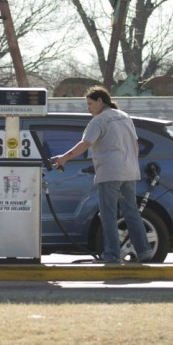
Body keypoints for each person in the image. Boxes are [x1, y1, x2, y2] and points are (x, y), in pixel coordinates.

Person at [51, 86, 153, 264]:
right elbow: (135, 144)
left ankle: (112, 255)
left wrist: (64, 158)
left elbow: (85, 144)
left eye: (90, 103)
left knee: (108, 214)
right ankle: (144, 251)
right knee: (132, 212)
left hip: (110, 172)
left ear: (100, 101)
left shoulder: (99, 121)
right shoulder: (124, 117)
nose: (88, 108)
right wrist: (130, 163)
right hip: (129, 172)